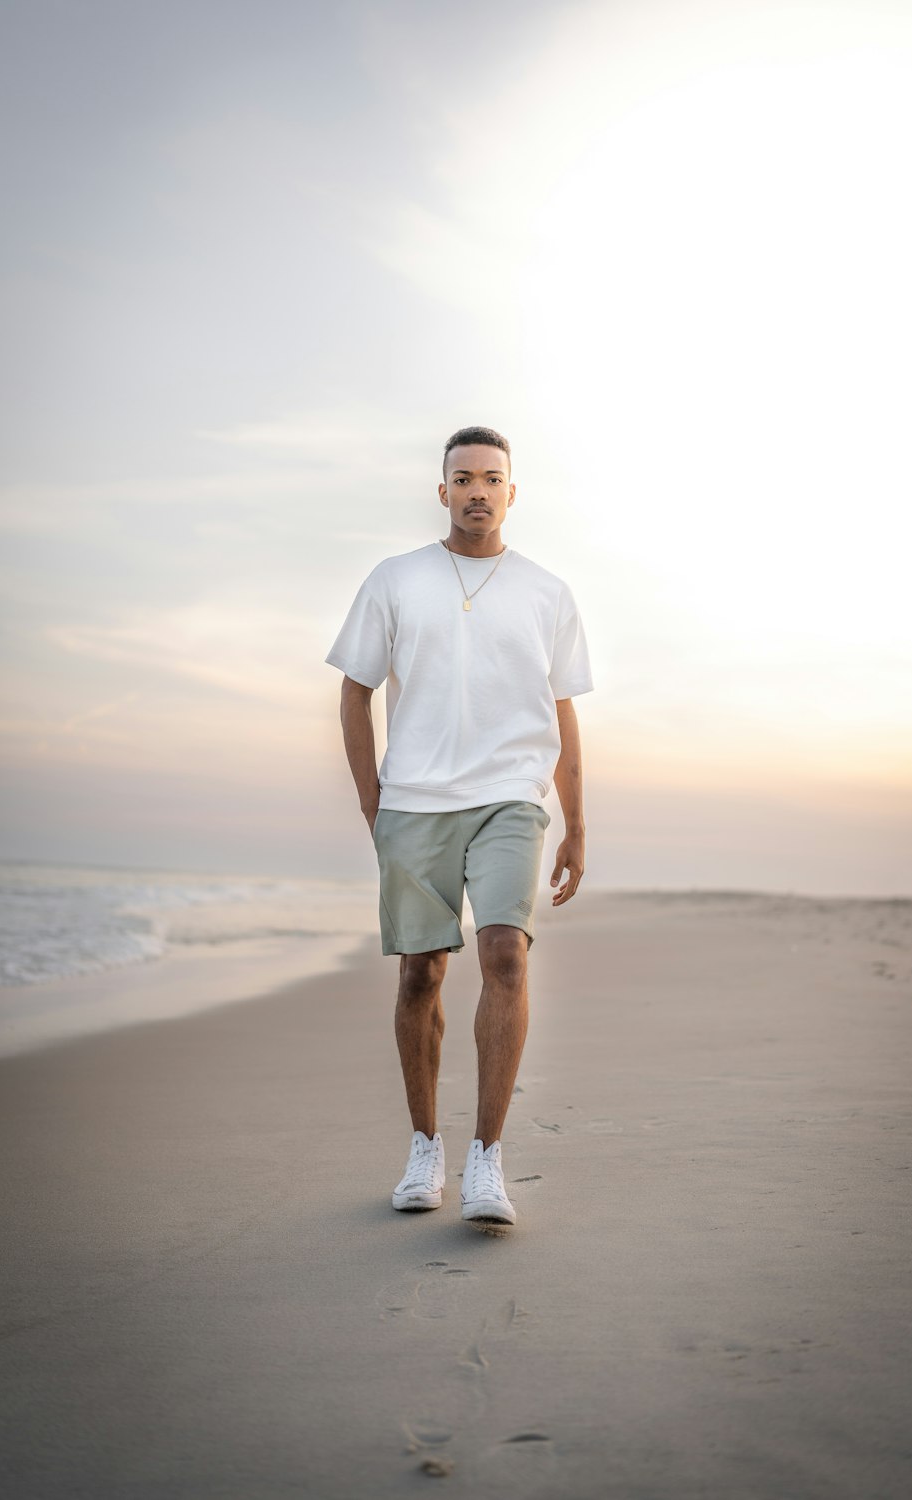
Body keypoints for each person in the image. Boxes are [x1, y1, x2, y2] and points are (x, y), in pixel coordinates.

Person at [325, 425, 593, 1229]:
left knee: (505, 951)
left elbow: (563, 710)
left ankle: (487, 1159)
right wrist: (374, 800)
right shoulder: (396, 579)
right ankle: (423, 1146)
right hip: (415, 800)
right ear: (442, 491)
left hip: (511, 795)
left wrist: (575, 821)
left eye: (492, 478)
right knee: (421, 975)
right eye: (463, 478)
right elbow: (354, 691)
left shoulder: (547, 592)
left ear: (513, 492)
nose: (478, 489)